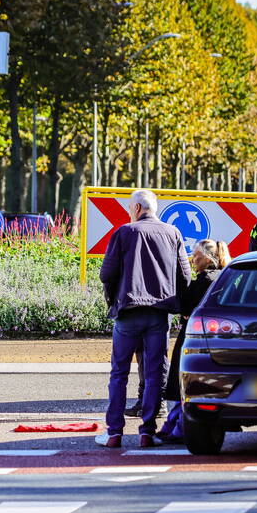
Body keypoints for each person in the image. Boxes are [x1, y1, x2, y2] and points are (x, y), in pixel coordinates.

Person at [96, 189, 191, 449]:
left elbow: (106, 273)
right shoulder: (173, 234)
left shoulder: (125, 232)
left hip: (128, 311)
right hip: (159, 314)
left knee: (119, 374)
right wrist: (180, 306)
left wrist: (114, 298)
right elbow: (185, 275)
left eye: (130, 208)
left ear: (137, 209)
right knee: (153, 374)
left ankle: (114, 432)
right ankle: (147, 431)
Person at [157, 239, 231, 443]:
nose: (192, 260)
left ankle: (178, 427)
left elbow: (184, 304)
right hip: (216, 337)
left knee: (181, 380)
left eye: (196, 257)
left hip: (195, 335)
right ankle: (176, 425)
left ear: (207, 259)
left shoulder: (204, 280)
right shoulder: (222, 277)